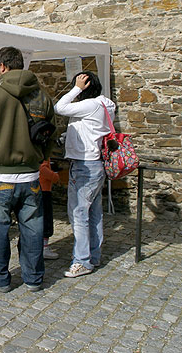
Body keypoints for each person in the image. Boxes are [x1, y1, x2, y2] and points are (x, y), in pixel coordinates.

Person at [0, 46, 55, 292]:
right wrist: (41, 157)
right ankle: (33, 278)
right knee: (32, 227)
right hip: (30, 174)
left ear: (2, 67)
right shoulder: (42, 96)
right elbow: (52, 134)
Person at [54, 71, 115, 278]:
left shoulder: (91, 105)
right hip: (96, 163)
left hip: (84, 165)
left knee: (79, 214)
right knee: (93, 213)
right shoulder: (106, 104)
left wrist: (76, 88)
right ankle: (93, 256)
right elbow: (90, 128)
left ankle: (82, 261)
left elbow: (60, 107)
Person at [39, 159, 60, 260]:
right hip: (43, 190)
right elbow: (42, 169)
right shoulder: (43, 154)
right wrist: (55, 176)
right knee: (46, 218)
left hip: (40, 189)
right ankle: (44, 247)